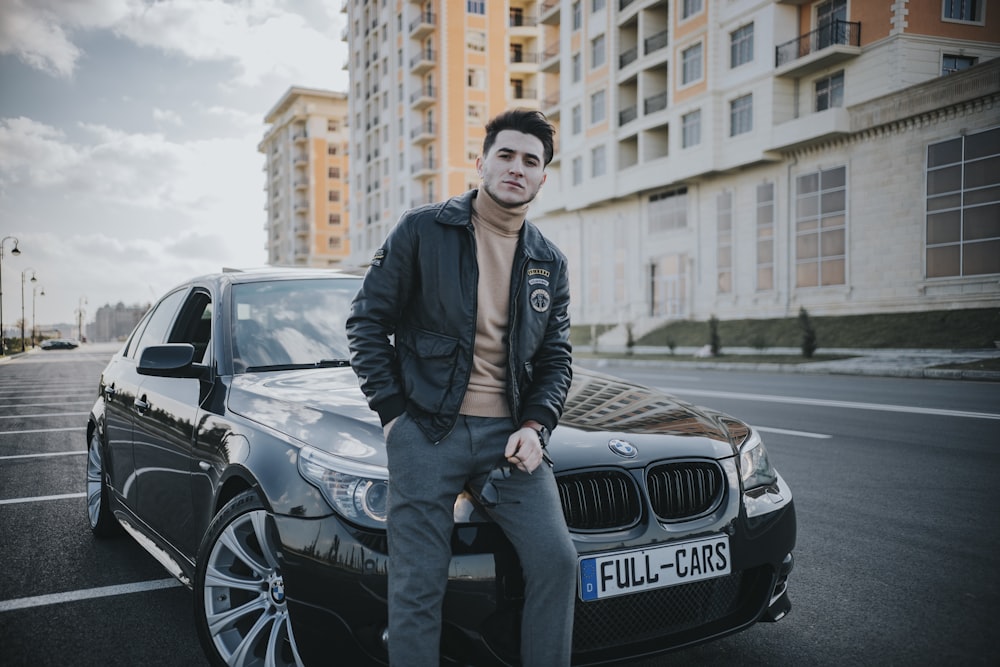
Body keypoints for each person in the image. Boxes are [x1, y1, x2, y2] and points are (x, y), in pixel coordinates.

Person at [346, 109, 577, 667]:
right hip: (427, 429)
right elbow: (366, 323)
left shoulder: (549, 260)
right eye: (507, 155)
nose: (517, 169)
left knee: (558, 561)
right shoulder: (423, 229)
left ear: (543, 178)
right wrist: (394, 416)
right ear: (481, 162)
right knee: (418, 582)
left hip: (509, 438)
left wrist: (535, 426)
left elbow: (556, 358)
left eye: (531, 161)